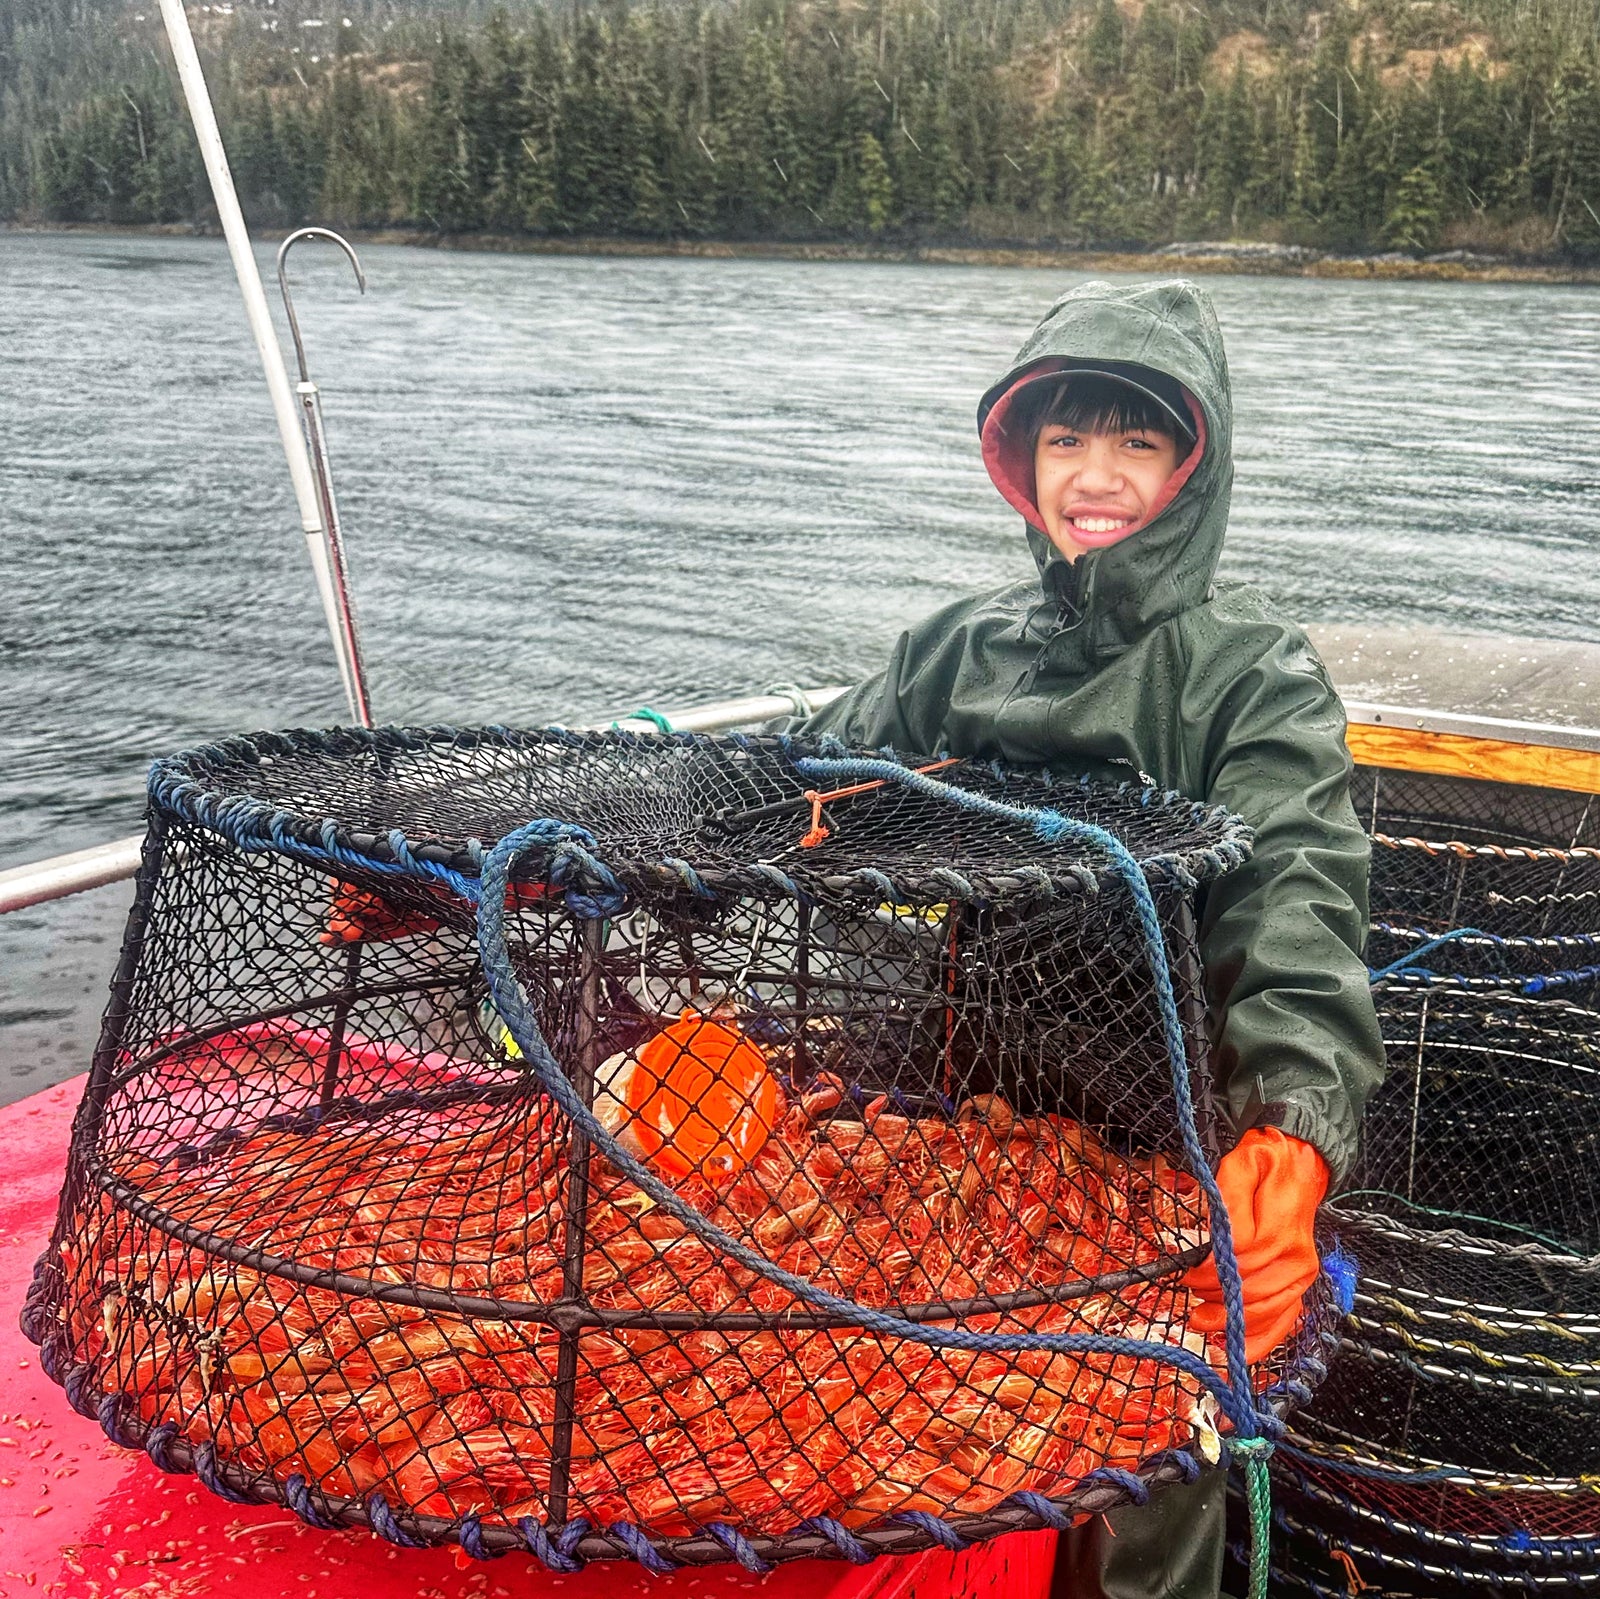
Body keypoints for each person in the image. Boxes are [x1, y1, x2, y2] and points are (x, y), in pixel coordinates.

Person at [797, 278, 1385, 1599]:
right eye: (1066, 438)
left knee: (1143, 1511)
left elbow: (1303, 906)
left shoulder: (1250, 676)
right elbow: (787, 790)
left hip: (1162, 1164)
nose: (1096, 475)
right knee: (928, 1462)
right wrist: (525, 874)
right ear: (1023, 460)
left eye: (1136, 440)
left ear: (1194, 465)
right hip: (958, 1143)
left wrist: (1289, 1138)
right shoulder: (957, 652)